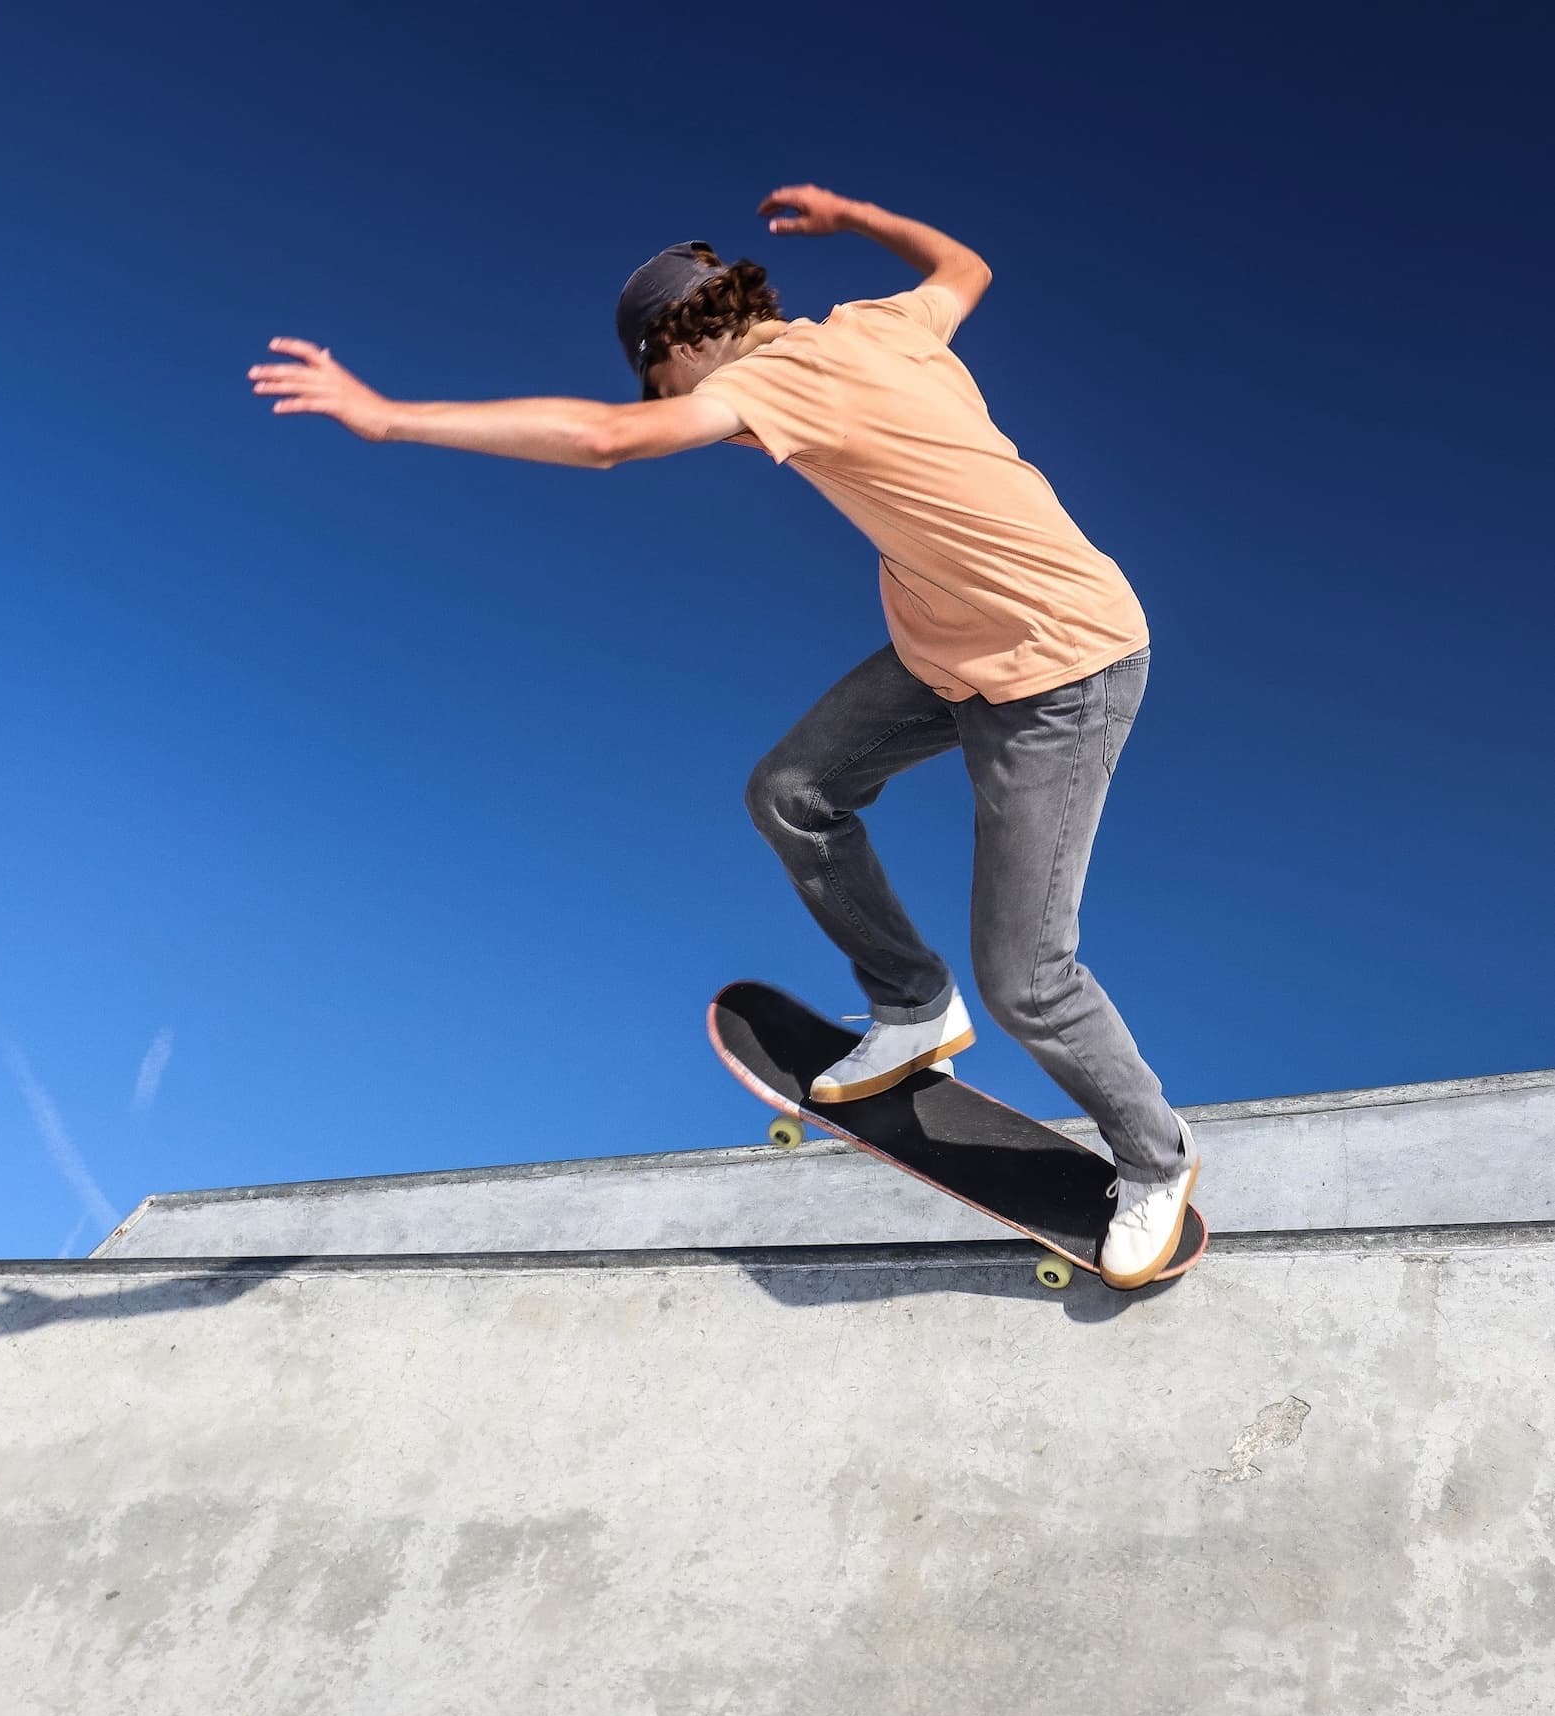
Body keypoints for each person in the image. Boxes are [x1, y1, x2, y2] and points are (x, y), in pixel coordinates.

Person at [246, 183, 1200, 1286]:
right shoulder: (881, 323)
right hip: (949, 652)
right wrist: (855, 214)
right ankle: (910, 1006)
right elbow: (966, 266)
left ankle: (1151, 1160)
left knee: (1027, 977)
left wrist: (389, 416)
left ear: (678, 343)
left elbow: (608, 438)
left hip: (1062, 668)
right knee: (792, 790)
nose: (704, 419)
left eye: (664, 382)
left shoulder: (770, 377)